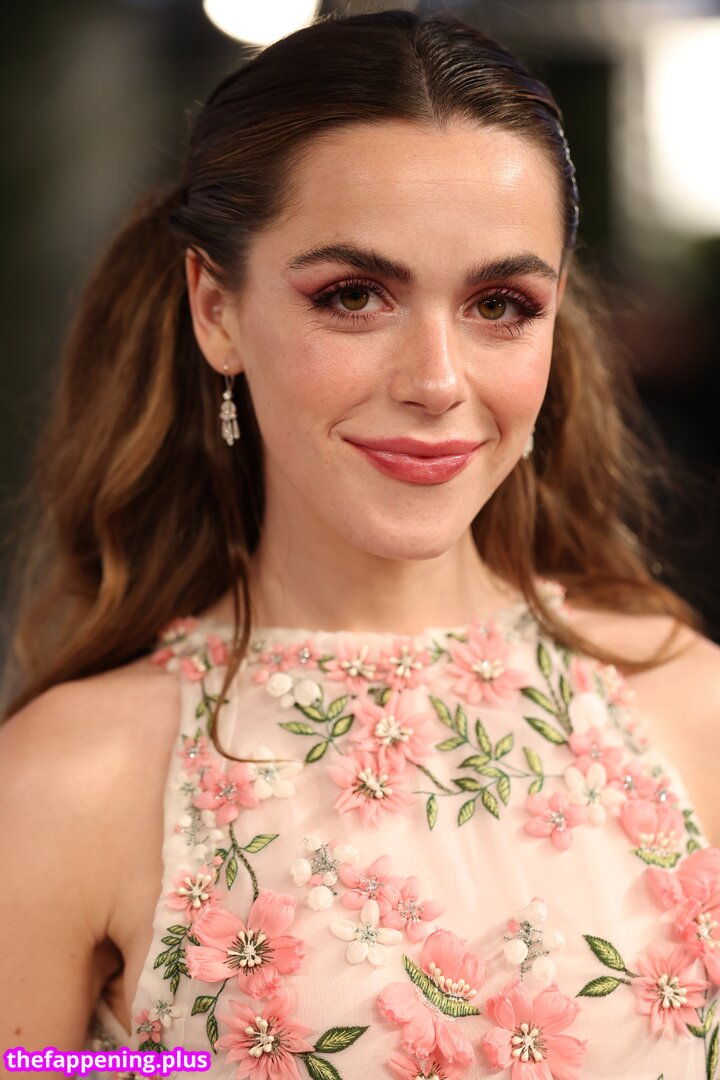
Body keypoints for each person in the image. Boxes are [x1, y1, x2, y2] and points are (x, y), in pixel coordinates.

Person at [1, 9, 718, 1079]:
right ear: (216, 309)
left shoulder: (691, 708)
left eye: (500, 304)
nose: (436, 381)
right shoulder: (72, 782)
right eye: (353, 295)